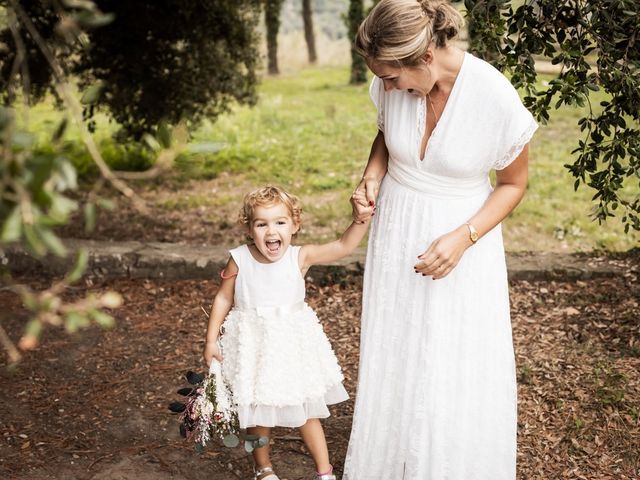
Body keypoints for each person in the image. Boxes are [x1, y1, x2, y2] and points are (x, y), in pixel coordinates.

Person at [343, 0, 538, 479]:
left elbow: (513, 185)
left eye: (392, 78)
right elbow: (386, 135)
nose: (387, 88)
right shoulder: (393, 80)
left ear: (425, 57)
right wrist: (371, 176)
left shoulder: (493, 95)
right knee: (398, 343)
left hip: (462, 238)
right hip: (397, 231)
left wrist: (464, 237)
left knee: (453, 354)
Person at [203, 186, 370, 480]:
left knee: (306, 410)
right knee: (258, 413)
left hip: (292, 346)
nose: (271, 231)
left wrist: (360, 220)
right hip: (255, 347)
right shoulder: (239, 259)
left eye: (280, 222)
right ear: (249, 228)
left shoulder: (299, 256)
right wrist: (210, 339)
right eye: (261, 223)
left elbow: (343, 246)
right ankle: (263, 468)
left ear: (295, 225)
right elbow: (223, 298)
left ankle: (324, 471)